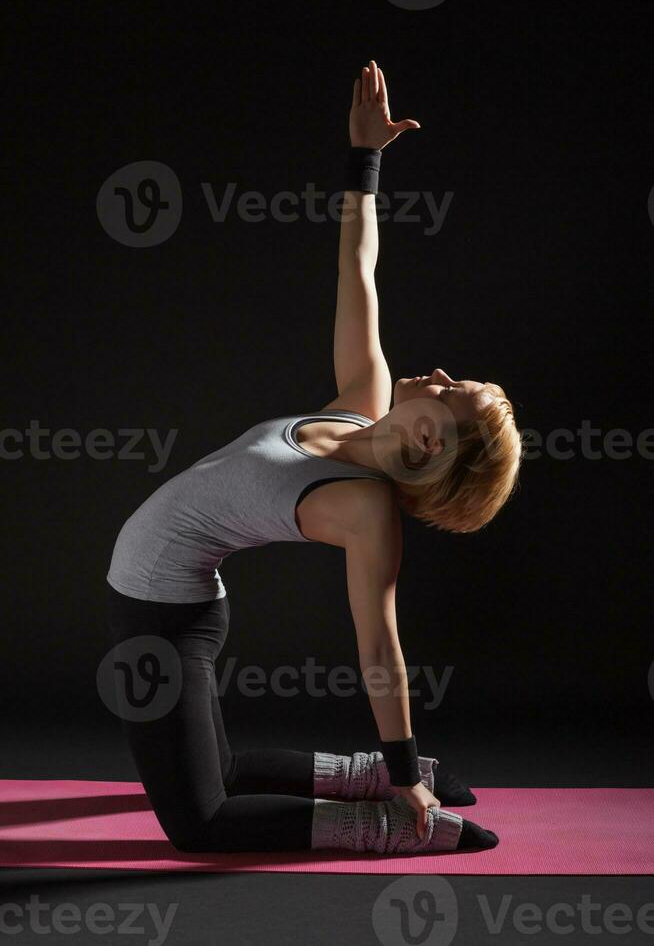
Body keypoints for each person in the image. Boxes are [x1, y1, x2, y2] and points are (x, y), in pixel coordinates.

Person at [104, 59, 523, 856]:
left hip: (160, 609)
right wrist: (365, 159)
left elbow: (379, 650)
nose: (433, 373)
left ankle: (401, 823)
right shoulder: (360, 401)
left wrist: (405, 777)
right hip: (175, 595)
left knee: (200, 822)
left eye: (448, 386)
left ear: (430, 438)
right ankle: (369, 776)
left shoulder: (364, 507)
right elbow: (356, 270)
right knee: (217, 770)